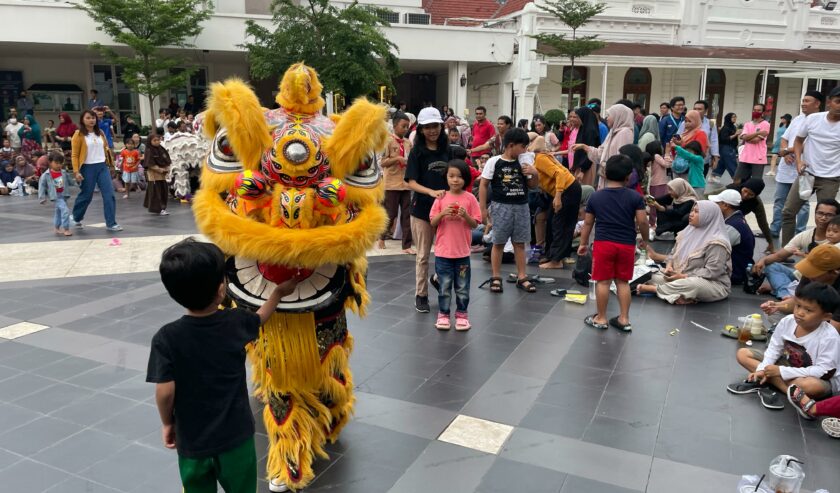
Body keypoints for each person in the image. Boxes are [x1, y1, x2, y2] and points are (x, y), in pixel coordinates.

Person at [147, 238, 299, 493]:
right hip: (235, 438)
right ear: (221, 291)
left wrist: (167, 423)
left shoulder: (166, 338)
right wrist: (278, 293)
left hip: (193, 442)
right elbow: (260, 318)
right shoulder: (236, 322)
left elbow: (165, 391)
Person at [727, 281, 840, 411]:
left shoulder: (829, 337)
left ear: (826, 316)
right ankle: (790, 391)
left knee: (810, 386)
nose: (800, 313)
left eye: (808, 310)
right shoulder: (787, 321)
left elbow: (822, 371)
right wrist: (762, 369)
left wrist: (780, 371)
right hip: (787, 365)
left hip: (814, 377)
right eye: (798, 306)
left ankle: (773, 382)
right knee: (743, 353)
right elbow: (774, 348)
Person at [578, 154, 648, 331]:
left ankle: (601, 318)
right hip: (626, 244)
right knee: (623, 282)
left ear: (605, 173)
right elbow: (642, 221)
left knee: (603, 282)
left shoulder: (596, 197)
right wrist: (645, 240)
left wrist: (583, 243)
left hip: (603, 244)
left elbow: (588, 222)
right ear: (628, 177)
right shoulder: (635, 197)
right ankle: (624, 319)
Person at [479, 128, 540, 294]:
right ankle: (496, 276)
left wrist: (534, 173)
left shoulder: (524, 162)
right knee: (498, 242)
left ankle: (522, 276)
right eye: (523, 147)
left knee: (519, 243)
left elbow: (533, 186)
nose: (525, 150)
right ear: (511, 145)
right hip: (501, 206)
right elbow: (484, 185)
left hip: (521, 206)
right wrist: (483, 208)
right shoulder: (494, 161)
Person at [639, 201, 731, 304]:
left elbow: (712, 272)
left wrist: (684, 276)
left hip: (711, 283)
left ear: (708, 216)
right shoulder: (687, 232)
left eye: (696, 212)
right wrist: (669, 266)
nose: (691, 214)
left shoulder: (717, 242)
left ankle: (655, 289)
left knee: (693, 284)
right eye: (692, 210)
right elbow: (673, 255)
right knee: (650, 274)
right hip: (679, 276)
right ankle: (678, 295)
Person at [782, 87, 840, 246]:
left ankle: (823, 252)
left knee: (827, 218)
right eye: (837, 102)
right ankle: (787, 250)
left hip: (831, 178)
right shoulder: (813, 119)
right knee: (788, 212)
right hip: (807, 174)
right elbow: (799, 141)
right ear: (829, 103)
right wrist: (799, 161)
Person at [406, 107, 450, 313]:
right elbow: (411, 183)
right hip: (422, 209)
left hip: (446, 209)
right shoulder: (417, 152)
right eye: (428, 127)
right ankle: (421, 294)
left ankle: (437, 278)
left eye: (436, 126)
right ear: (421, 130)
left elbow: (456, 175)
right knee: (423, 255)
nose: (433, 130)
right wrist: (431, 192)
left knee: (447, 252)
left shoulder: (447, 150)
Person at [429, 160, 481, 330]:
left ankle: (462, 315)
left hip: (462, 254)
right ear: (446, 177)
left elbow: (475, 224)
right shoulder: (441, 198)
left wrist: (465, 216)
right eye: (451, 176)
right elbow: (433, 222)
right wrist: (443, 213)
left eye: (459, 176)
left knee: (462, 287)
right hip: (443, 253)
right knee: (444, 287)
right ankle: (443, 315)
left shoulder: (470, 198)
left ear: (465, 178)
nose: (455, 180)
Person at [754, 198, 840, 299]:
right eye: (820, 213)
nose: (823, 218)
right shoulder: (805, 235)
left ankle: (784, 294)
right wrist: (762, 261)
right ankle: (787, 293)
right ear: (815, 214)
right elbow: (779, 256)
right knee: (771, 266)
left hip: (820, 279)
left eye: (829, 215)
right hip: (801, 276)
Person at [526, 136, 581, 269]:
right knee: (553, 221)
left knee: (559, 223)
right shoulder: (539, 157)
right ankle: (555, 255)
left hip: (566, 189)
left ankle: (556, 260)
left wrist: (558, 196)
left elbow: (560, 174)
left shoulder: (540, 158)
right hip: (567, 188)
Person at [774, 92, 824, 241]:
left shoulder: (819, 121)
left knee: (802, 204)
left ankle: (800, 233)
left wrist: (787, 150)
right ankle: (775, 229)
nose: (803, 103)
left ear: (817, 104)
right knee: (779, 200)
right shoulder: (797, 119)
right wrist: (785, 153)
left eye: (807, 101)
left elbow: (808, 144)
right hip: (786, 166)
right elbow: (785, 138)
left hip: (804, 168)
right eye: (803, 100)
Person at [760, 244, 840, 332]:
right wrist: (777, 306)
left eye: (815, 272)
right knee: (774, 313)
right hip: (813, 316)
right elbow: (797, 301)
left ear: (834, 272)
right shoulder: (809, 275)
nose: (810, 276)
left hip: (830, 323)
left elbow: (834, 329)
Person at [70, 110, 121, 231]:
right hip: (87, 167)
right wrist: (76, 171)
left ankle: (111, 223)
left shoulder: (101, 133)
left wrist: (112, 165)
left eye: (93, 118)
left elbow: (107, 150)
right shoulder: (78, 135)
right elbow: (75, 155)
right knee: (86, 195)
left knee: (109, 194)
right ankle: (77, 217)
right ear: (83, 120)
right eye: (88, 118)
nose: (91, 120)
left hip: (102, 166)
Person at [573, 104, 634, 188]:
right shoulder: (612, 132)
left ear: (618, 116)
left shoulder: (625, 133)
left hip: (614, 180)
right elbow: (601, 153)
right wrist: (585, 147)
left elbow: (620, 160)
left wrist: (607, 167)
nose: (606, 118)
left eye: (609, 115)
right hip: (606, 176)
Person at [380, 112, 414, 254]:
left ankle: (406, 245)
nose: (405, 129)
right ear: (394, 126)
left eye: (407, 126)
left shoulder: (408, 143)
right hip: (391, 183)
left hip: (406, 183)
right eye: (403, 126)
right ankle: (381, 237)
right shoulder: (387, 142)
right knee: (390, 213)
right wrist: (397, 159)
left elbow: (411, 160)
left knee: (407, 214)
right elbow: (382, 162)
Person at [710, 189, 754, 285]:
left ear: (726, 205)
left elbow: (712, 248)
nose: (715, 205)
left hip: (734, 273)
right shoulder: (736, 219)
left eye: (717, 203)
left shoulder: (733, 226)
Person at [724, 178, 775, 253]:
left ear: (755, 195)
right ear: (743, 187)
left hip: (736, 219)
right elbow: (708, 197)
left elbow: (763, 223)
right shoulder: (731, 189)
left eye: (751, 194)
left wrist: (770, 242)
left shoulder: (756, 203)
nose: (745, 195)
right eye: (745, 191)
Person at [37, 152, 76, 236]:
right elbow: (42, 186)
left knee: (58, 212)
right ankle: (66, 229)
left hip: (64, 194)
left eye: (60, 163)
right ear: (50, 163)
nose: (59, 165)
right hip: (56, 196)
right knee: (65, 211)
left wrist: (79, 182)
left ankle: (57, 227)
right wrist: (42, 197)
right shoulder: (46, 175)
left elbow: (71, 182)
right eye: (56, 163)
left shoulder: (64, 172)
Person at [677, 101, 719, 177]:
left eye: (699, 109)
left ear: (706, 111)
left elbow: (714, 140)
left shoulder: (710, 124)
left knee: (698, 183)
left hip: (703, 160)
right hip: (686, 160)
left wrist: (715, 156)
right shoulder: (685, 122)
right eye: (695, 108)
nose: (697, 111)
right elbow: (679, 136)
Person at [735, 103, 771, 185]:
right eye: (754, 110)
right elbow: (743, 137)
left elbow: (755, 140)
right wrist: (757, 133)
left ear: (763, 112)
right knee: (738, 180)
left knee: (755, 183)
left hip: (758, 158)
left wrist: (748, 137)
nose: (756, 112)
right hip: (745, 157)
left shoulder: (765, 124)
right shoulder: (748, 124)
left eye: (759, 110)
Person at [568, 106, 601, 187]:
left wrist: (583, 170)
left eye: (578, 117)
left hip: (586, 166)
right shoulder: (583, 128)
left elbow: (590, 151)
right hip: (580, 165)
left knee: (585, 190)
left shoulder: (590, 131)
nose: (577, 119)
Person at [144, 134, 171, 216]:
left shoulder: (161, 149)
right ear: (150, 141)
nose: (157, 142)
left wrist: (167, 168)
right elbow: (150, 164)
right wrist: (160, 170)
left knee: (163, 191)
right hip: (154, 175)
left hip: (162, 175)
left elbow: (166, 158)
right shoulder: (149, 150)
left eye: (158, 140)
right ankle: (159, 209)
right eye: (154, 140)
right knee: (156, 192)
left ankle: (162, 207)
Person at [711, 113, 741, 181]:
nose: (735, 118)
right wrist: (736, 134)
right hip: (726, 148)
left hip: (730, 147)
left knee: (722, 162)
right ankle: (736, 178)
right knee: (731, 162)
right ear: (728, 118)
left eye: (735, 117)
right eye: (733, 117)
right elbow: (724, 139)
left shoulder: (733, 127)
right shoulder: (725, 128)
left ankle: (713, 175)